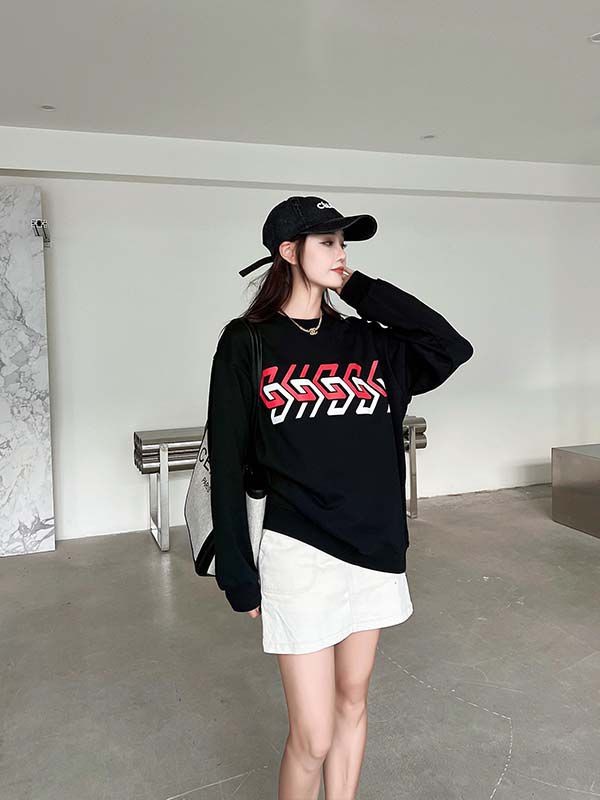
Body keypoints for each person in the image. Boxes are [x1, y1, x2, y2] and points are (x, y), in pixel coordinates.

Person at [206, 195, 474, 800]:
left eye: (343, 243)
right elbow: (226, 460)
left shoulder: (367, 342)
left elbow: (449, 346)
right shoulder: (248, 342)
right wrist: (237, 572)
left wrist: (359, 288)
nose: (341, 254)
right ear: (288, 251)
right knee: (313, 736)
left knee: (353, 701)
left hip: (373, 546)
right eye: (326, 242)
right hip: (297, 549)